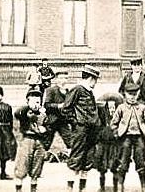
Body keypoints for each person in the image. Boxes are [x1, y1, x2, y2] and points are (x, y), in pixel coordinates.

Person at [62, 64, 102, 192]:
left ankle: (82, 188)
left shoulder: (89, 92)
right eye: (95, 79)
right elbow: (66, 109)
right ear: (90, 78)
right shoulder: (77, 89)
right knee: (76, 158)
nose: (95, 82)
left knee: (88, 160)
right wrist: (75, 123)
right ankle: (70, 188)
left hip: (91, 131)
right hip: (81, 130)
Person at [111, 82, 145, 192]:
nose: (132, 97)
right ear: (125, 94)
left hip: (139, 136)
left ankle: (143, 185)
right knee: (123, 160)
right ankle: (120, 185)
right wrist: (116, 133)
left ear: (138, 94)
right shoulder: (121, 108)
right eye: (130, 94)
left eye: (135, 94)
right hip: (125, 137)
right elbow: (114, 123)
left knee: (140, 160)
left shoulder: (142, 108)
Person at [12, 89, 51, 192]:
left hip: (39, 141)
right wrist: (28, 108)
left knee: (37, 167)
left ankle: (33, 188)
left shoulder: (43, 114)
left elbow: (49, 127)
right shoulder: (24, 112)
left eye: (38, 102)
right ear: (28, 102)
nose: (36, 105)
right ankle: (18, 189)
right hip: (27, 140)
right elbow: (17, 113)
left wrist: (45, 129)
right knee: (22, 165)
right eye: (33, 102)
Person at [0, 86, 18, 181]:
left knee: (4, 154)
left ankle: (3, 173)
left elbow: (10, 121)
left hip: (5, 133)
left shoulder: (7, 107)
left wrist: (10, 132)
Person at [94, 96, 120, 192]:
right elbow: (98, 129)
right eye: (109, 108)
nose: (111, 110)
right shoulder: (102, 119)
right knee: (102, 168)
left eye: (113, 108)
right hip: (103, 145)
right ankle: (102, 187)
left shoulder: (118, 118)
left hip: (114, 145)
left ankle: (116, 188)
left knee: (115, 166)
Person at [43, 71, 73, 150]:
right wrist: (58, 106)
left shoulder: (67, 91)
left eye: (66, 78)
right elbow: (46, 105)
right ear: (56, 79)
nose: (64, 80)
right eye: (61, 78)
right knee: (46, 143)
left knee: (70, 141)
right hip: (52, 120)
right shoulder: (51, 90)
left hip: (63, 120)